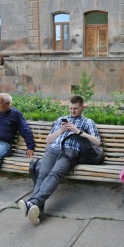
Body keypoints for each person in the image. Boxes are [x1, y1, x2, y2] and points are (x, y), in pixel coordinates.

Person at [18, 95, 101, 226]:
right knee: (42, 174)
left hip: (70, 151)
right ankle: (35, 209)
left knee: (55, 173)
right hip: (53, 149)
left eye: (76, 109)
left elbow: (97, 142)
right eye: (70, 108)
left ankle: (32, 203)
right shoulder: (60, 120)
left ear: (82, 107)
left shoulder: (87, 122)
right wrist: (61, 130)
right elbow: (48, 140)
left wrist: (77, 131)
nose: (72, 111)